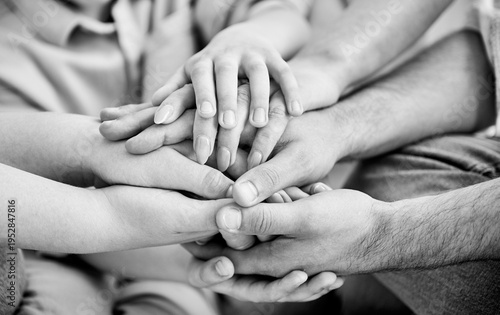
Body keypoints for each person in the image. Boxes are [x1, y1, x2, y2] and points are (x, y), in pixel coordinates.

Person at [0, 1, 339, 314]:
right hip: (77, 246)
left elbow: (284, 16)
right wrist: (221, 240)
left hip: (177, 252)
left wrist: (244, 37)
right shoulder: (10, 54)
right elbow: (49, 212)